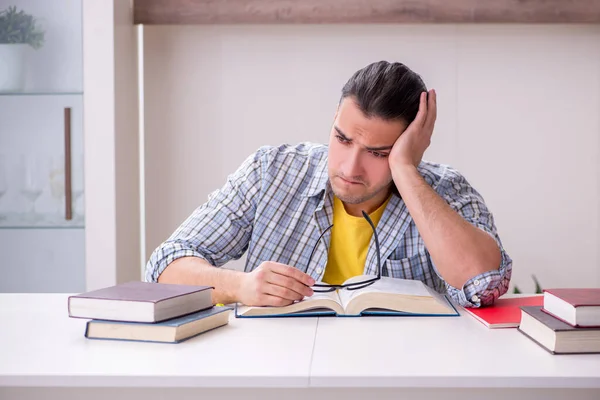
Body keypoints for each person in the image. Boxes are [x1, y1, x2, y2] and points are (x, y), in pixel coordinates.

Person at [145, 61, 512, 308]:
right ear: (334, 118)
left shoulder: (445, 192)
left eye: (379, 153)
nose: (351, 167)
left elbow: (483, 283)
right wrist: (238, 286)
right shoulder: (271, 171)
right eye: (343, 138)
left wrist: (405, 170)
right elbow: (163, 267)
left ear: (412, 145)